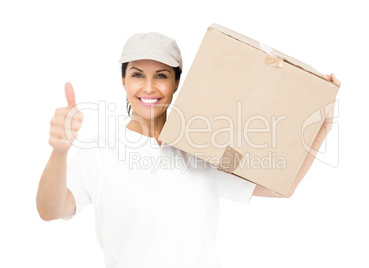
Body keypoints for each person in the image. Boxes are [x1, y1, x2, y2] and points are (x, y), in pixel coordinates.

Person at [36, 32, 341, 268]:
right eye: (138, 74)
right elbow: (51, 210)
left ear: (178, 81)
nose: (149, 88)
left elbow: (280, 189)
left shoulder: (201, 149)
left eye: (162, 76)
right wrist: (59, 152)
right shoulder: (99, 156)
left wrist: (322, 127)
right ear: (123, 80)